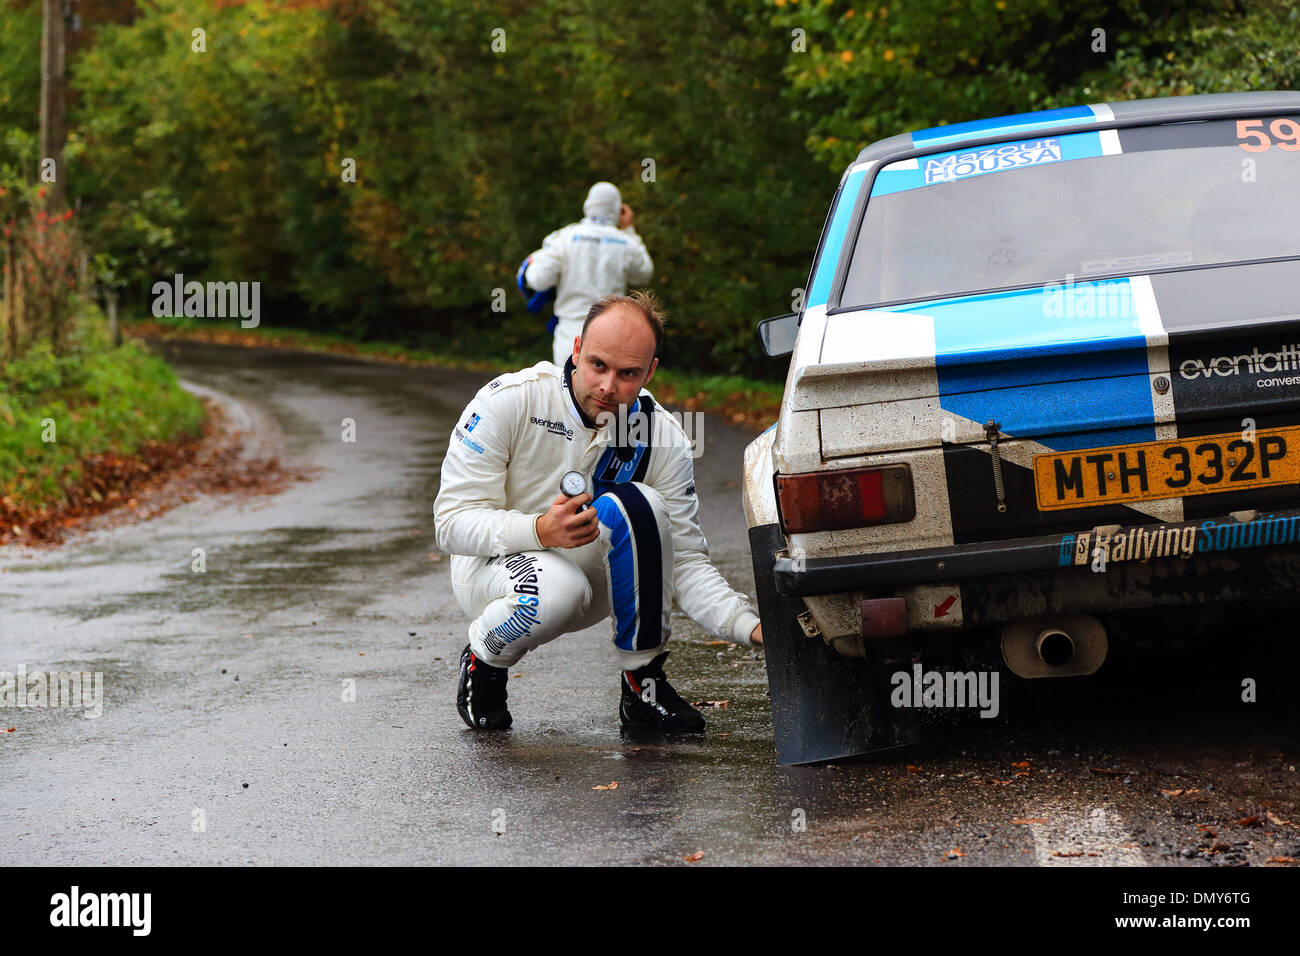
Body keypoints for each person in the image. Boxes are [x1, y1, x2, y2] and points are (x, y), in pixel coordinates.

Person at [433, 291, 763, 733]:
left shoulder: (662, 436)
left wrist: (753, 629)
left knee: (641, 504)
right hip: (490, 570)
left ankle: (641, 682)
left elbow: (682, 562)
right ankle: (483, 661)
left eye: (628, 374)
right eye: (597, 366)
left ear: (650, 371)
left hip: (593, 572)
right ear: (575, 350)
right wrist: (539, 530)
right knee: (556, 590)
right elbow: (451, 524)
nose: (608, 387)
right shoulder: (509, 400)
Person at [523, 182, 654, 369]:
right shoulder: (626, 242)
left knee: (567, 391)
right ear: (618, 210)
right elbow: (644, 273)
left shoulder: (564, 237)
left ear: (588, 205)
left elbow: (537, 279)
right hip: (613, 333)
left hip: (570, 335)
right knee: (605, 393)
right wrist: (628, 230)